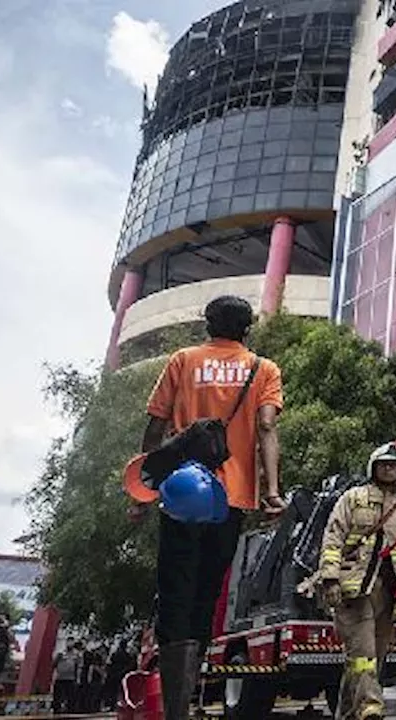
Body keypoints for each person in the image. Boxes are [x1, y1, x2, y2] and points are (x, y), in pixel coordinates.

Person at [129, 295, 286, 720]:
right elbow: (267, 426)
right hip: (229, 498)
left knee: (175, 592)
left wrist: (146, 489)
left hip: (179, 492)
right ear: (247, 329)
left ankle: (174, 708)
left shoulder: (183, 360)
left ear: (207, 325)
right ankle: (188, 693)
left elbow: (156, 426)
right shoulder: (263, 369)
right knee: (206, 595)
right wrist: (272, 490)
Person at [297, 442, 396, 720]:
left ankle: (347, 713)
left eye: (393, 465)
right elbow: (332, 538)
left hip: (392, 594)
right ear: (373, 467)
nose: (388, 468)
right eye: (383, 464)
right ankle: (371, 707)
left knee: (373, 658)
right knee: (363, 654)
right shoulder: (352, 499)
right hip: (355, 591)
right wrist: (331, 579)